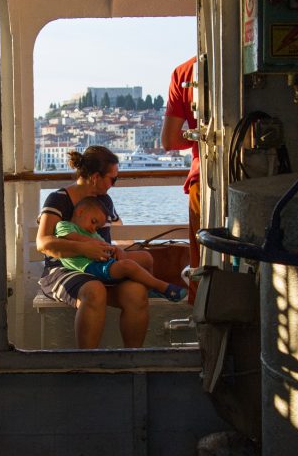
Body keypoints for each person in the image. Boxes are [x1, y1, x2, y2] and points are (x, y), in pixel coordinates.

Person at [36, 145, 152, 348]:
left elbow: (117, 234)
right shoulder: (58, 199)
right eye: (112, 179)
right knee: (94, 290)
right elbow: (43, 242)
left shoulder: (104, 201)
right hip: (63, 268)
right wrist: (83, 249)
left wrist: (130, 251)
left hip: (100, 267)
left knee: (136, 293)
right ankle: (87, 360)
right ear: (96, 177)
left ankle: (132, 359)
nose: (113, 184)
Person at [55, 196, 187, 301]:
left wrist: (116, 249)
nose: (93, 228)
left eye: (97, 227)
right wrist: (101, 245)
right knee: (128, 266)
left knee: (146, 257)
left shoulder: (93, 233)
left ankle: (148, 289)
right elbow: (72, 238)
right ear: (80, 211)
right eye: (93, 222)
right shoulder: (65, 225)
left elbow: (106, 246)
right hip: (89, 267)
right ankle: (162, 287)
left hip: (104, 261)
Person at [161, 55, 200, 303]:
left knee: (202, 257)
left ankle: (202, 312)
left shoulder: (184, 72)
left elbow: (170, 140)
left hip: (203, 179)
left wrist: (198, 136)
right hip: (259, 174)